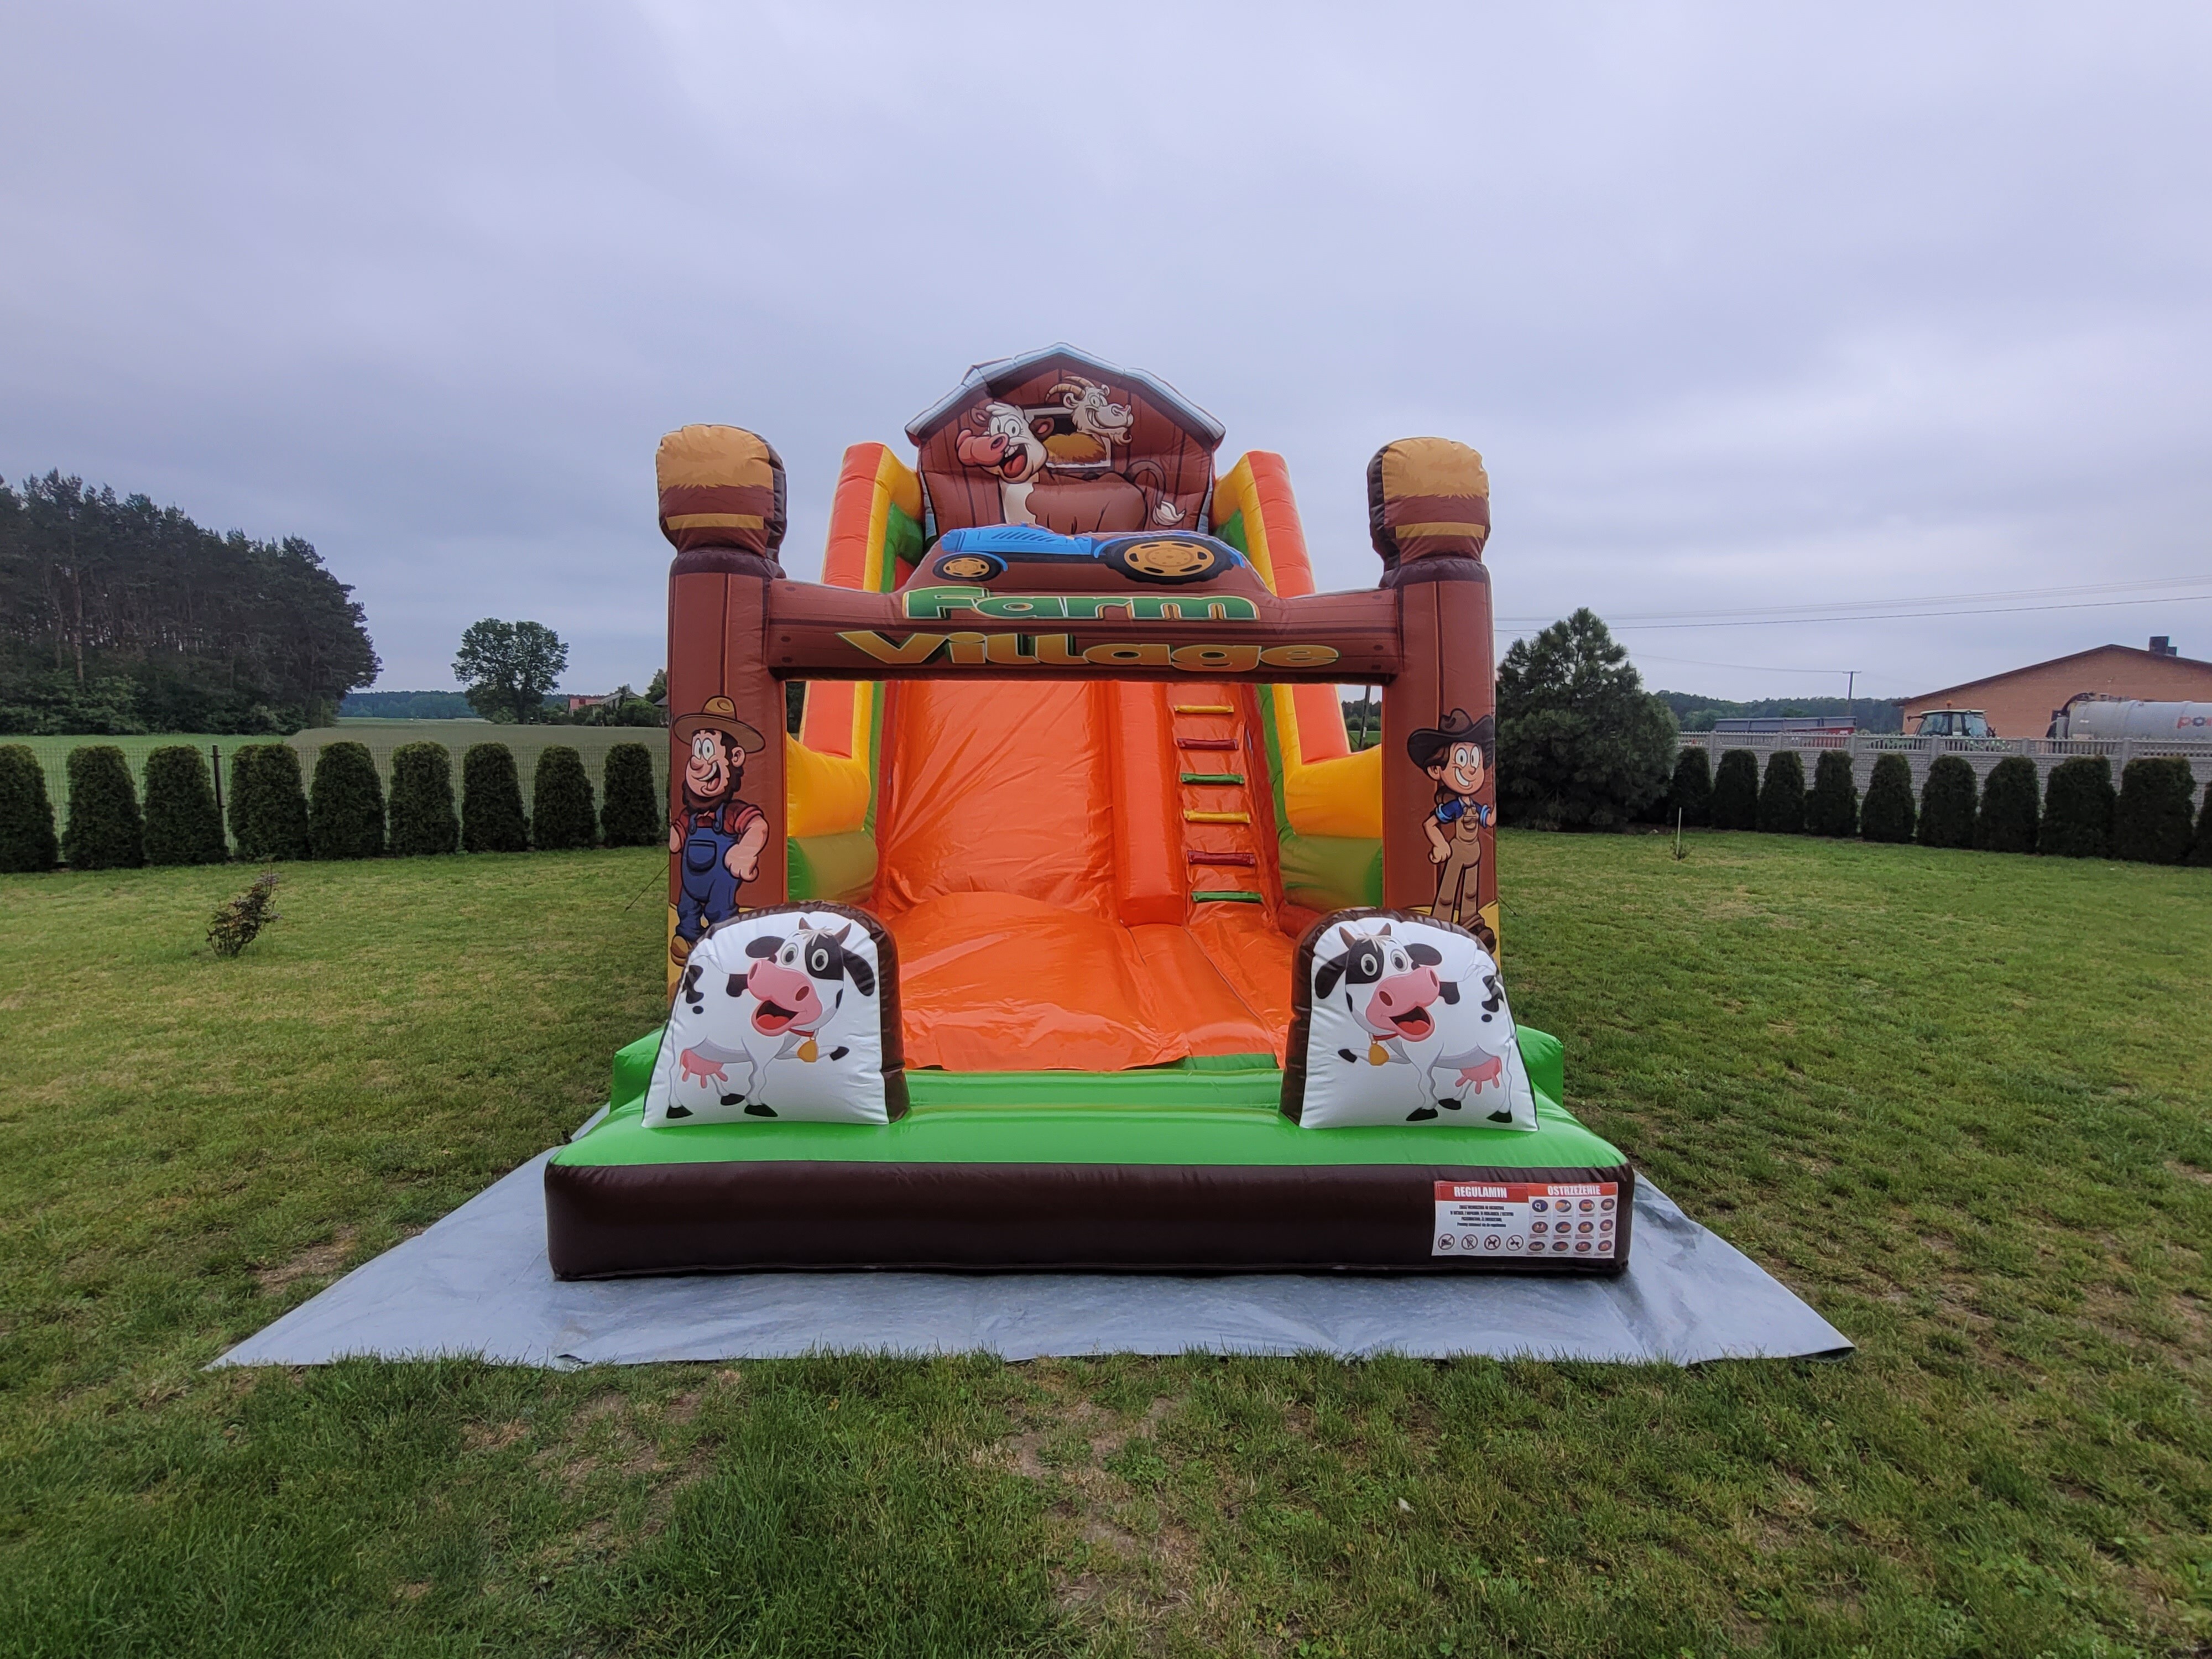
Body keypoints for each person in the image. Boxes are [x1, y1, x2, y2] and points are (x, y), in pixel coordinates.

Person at [669, 696, 769, 965]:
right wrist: (674, 836)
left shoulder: (732, 812)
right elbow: (678, 837)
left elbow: (757, 825)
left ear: (734, 758)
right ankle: (687, 938)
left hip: (719, 884)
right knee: (687, 906)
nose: (697, 763)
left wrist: (745, 851)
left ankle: (723, 945)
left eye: (707, 750)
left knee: (720, 910)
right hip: (691, 881)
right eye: (697, 751)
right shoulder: (690, 815)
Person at [1406, 708, 1494, 931]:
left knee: (1471, 892)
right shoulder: (1454, 806)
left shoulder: (1473, 805)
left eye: (1475, 759)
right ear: (1436, 770)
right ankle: (1439, 925)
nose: (1471, 769)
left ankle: (1470, 922)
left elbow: (1488, 819)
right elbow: (1430, 823)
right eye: (1462, 759)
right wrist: (1441, 844)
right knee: (1447, 892)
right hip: (1457, 852)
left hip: (1475, 851)